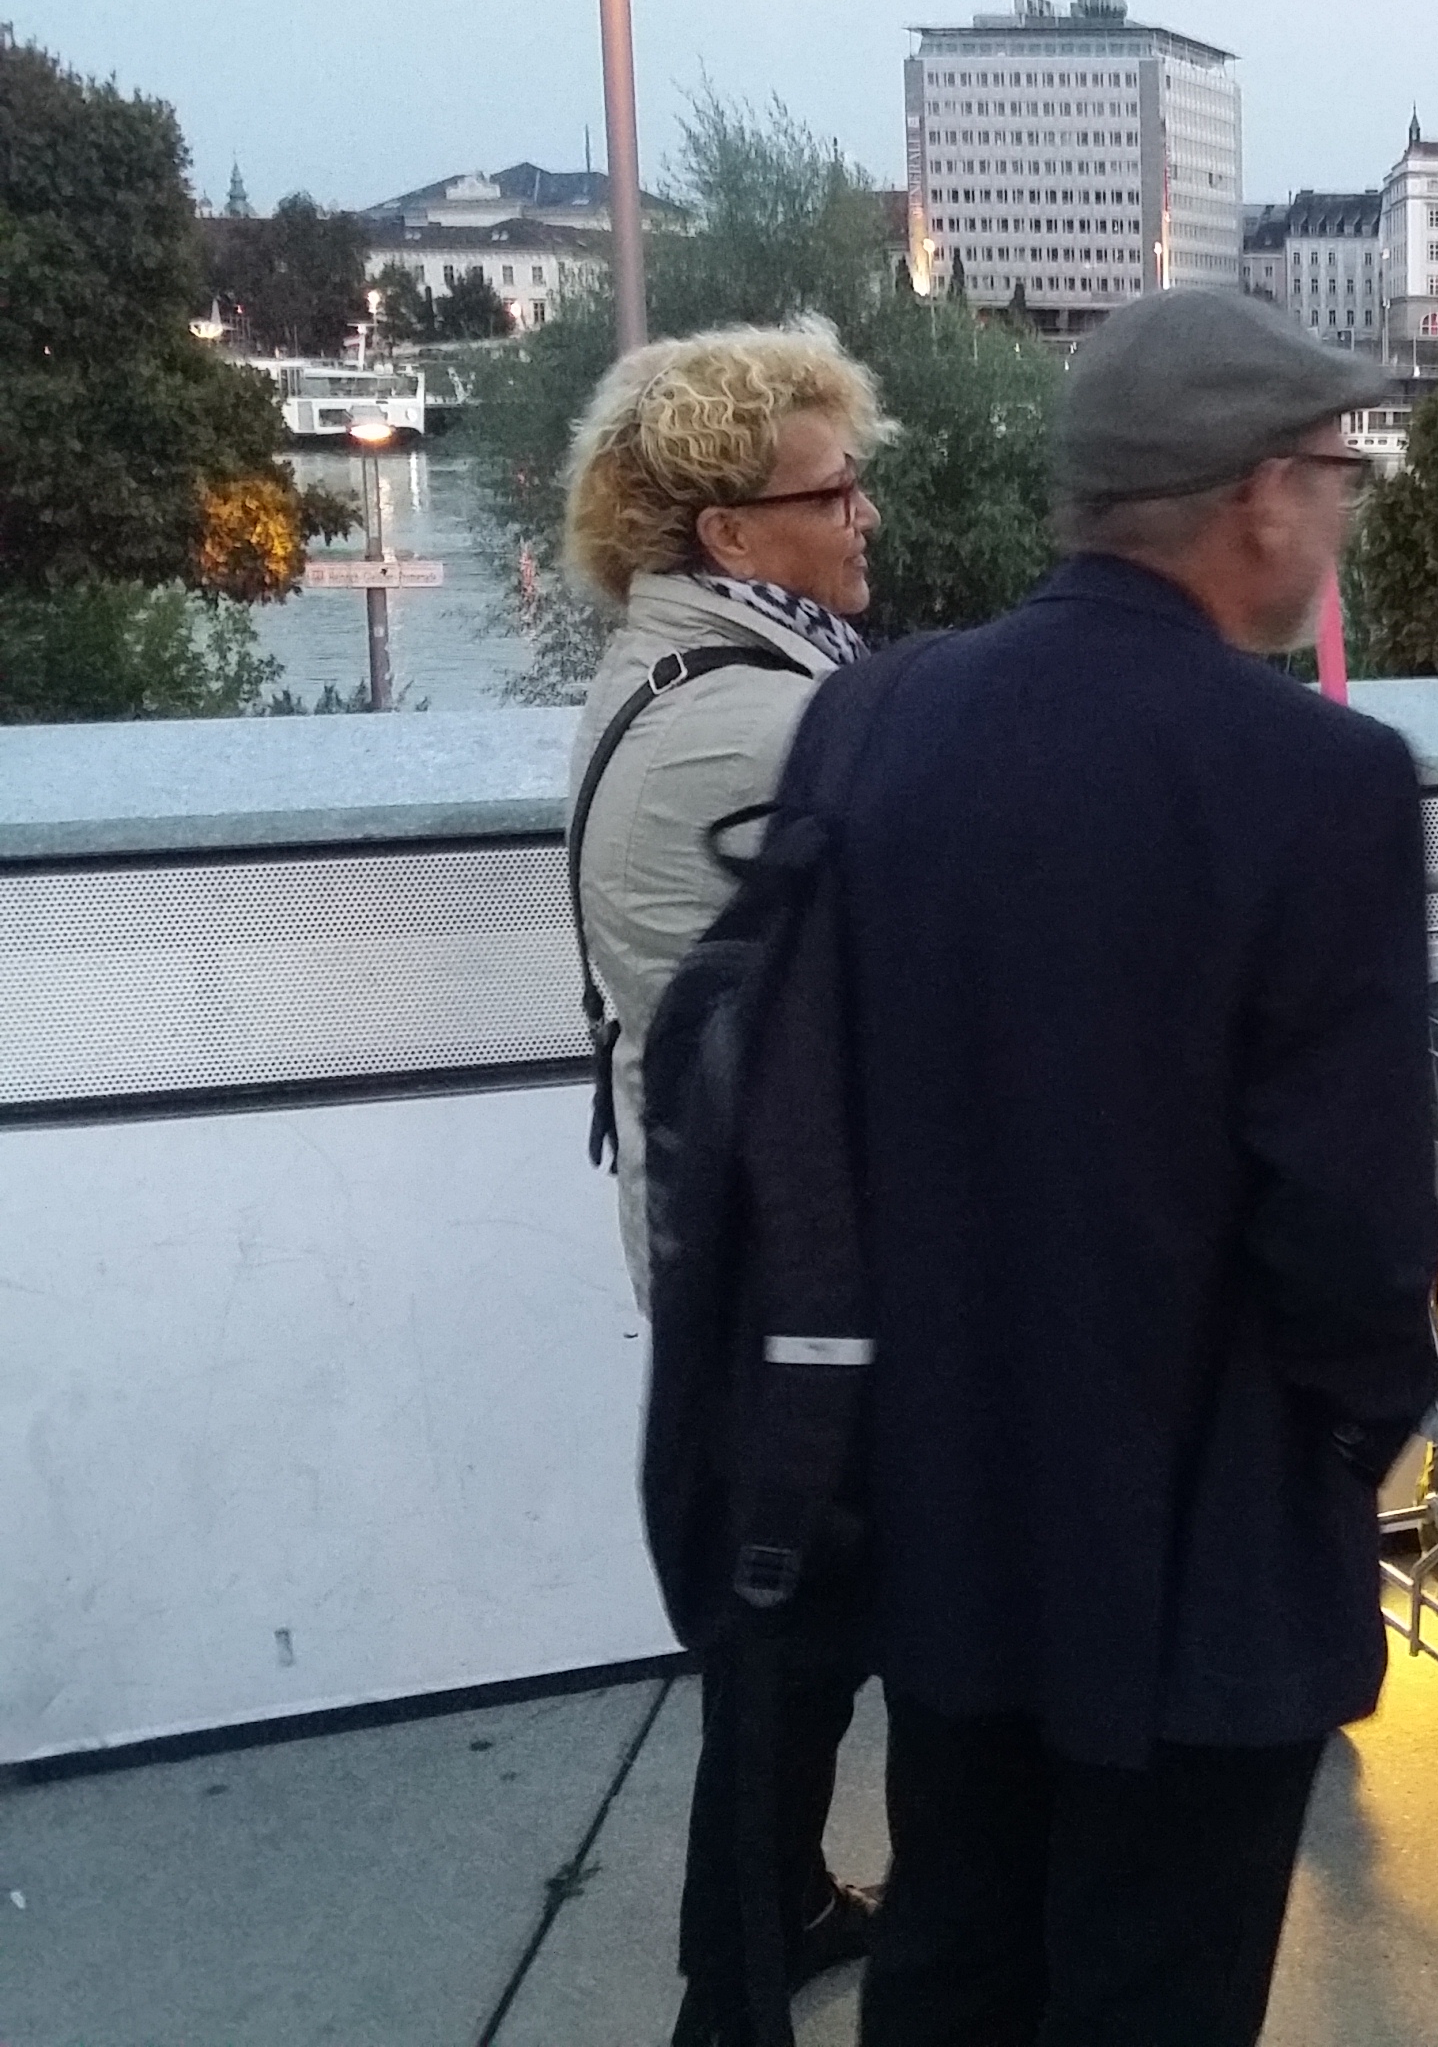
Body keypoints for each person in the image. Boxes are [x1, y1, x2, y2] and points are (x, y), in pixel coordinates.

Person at [804, 288, 1438, 2046]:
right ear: (1257, 493)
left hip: (946, 1506)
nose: (1340, 507)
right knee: (1153, 1990)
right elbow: (1355, 1227)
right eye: (1337, 471)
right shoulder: (1318, 778)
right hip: (1202, 1541)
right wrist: (1350, 1442)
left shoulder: (874, 717)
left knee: (955, 1955)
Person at [561, 321, 890, 2040]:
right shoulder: (758, 722)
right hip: (784, 1270)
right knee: (800, 1634)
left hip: (735, 1238)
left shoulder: (676, 668)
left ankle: (778, 1916)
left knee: (796, 1634)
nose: (864, 515)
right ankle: (732, 1992)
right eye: (831, 492)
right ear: (726, 531)